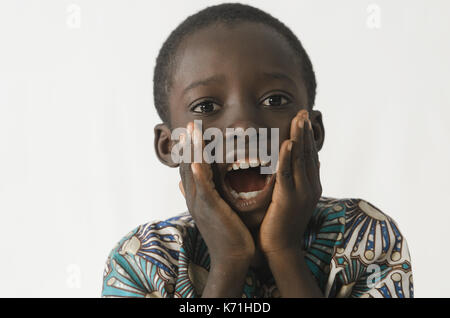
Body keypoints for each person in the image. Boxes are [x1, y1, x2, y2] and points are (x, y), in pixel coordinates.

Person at [101, 3, 413, 298]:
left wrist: (283, 250)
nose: (244, 127)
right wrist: (229, 261)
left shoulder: (365, 236)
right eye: (206, 106)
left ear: (314, 132)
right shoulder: (141, 260)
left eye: (274, 100)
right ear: (171, 146)